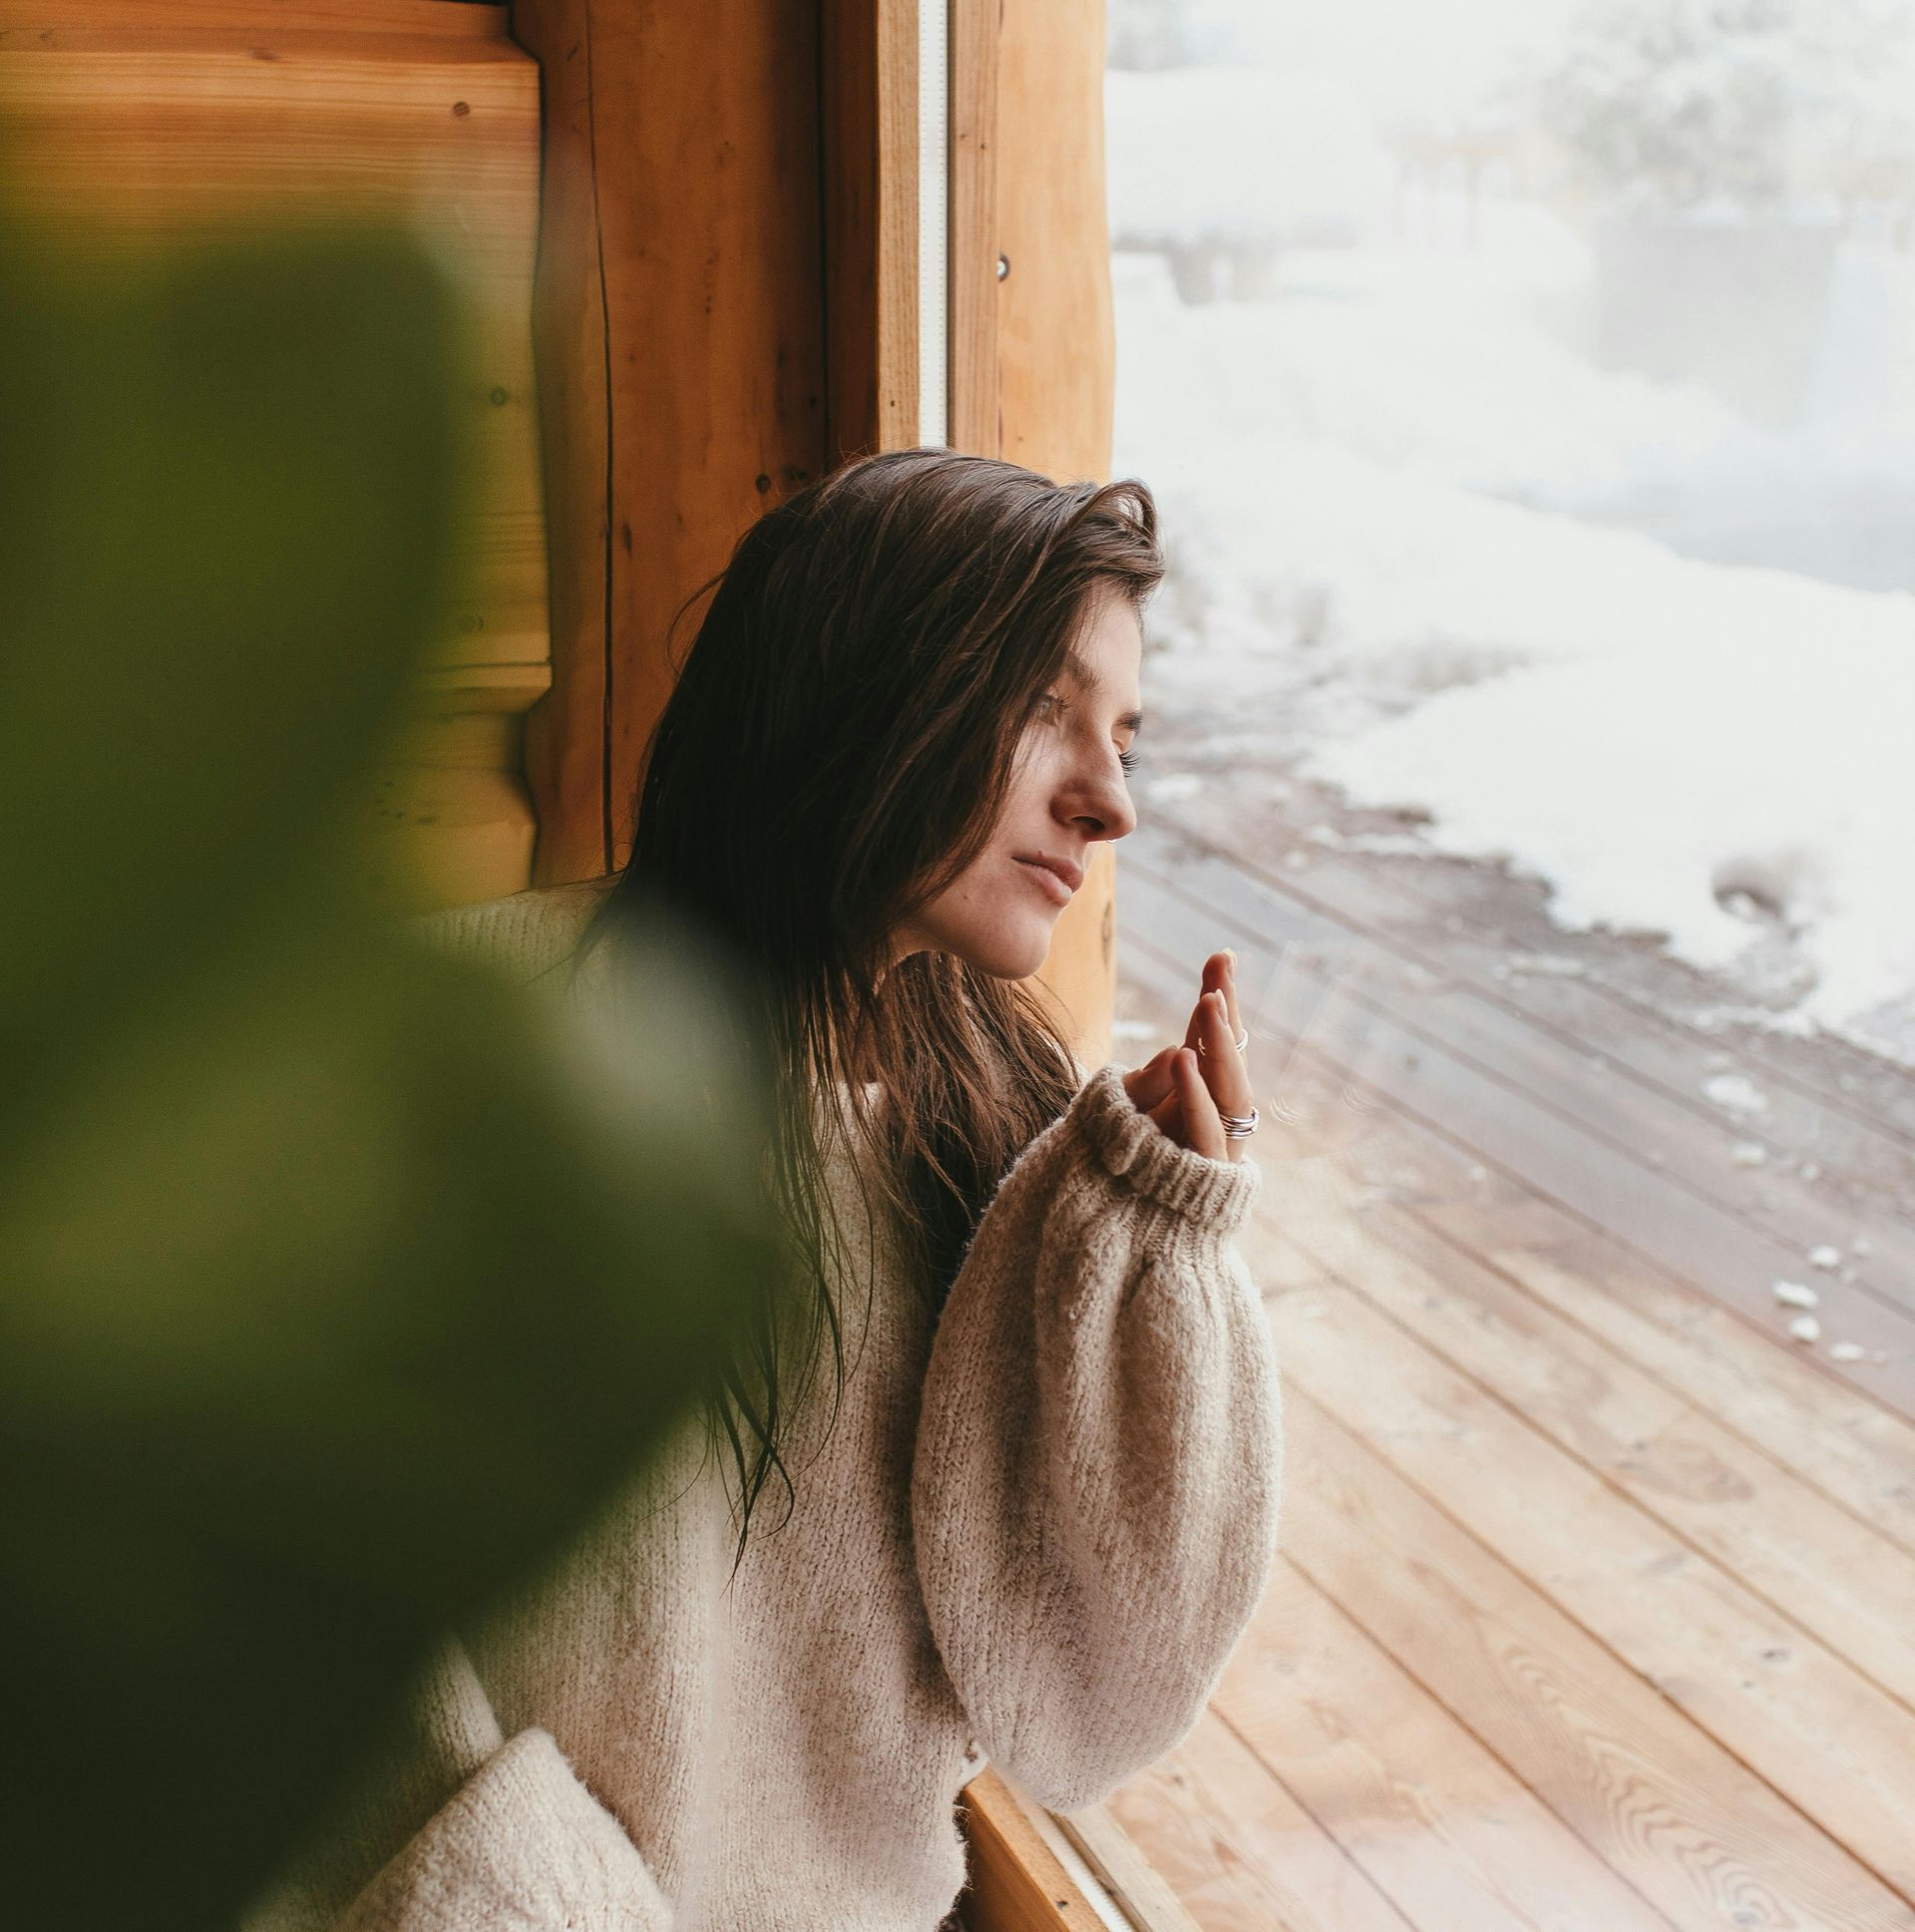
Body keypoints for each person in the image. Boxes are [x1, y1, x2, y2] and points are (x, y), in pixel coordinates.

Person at [250, 448, 1282, 1932]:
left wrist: (1168, 1237)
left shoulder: (1000, 1132)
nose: (1110, 799)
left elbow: (1084, 1714)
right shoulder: (453, 1062)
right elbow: (289, 1615)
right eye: (1046, 711)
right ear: (861, 685)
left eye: (1126, 737)